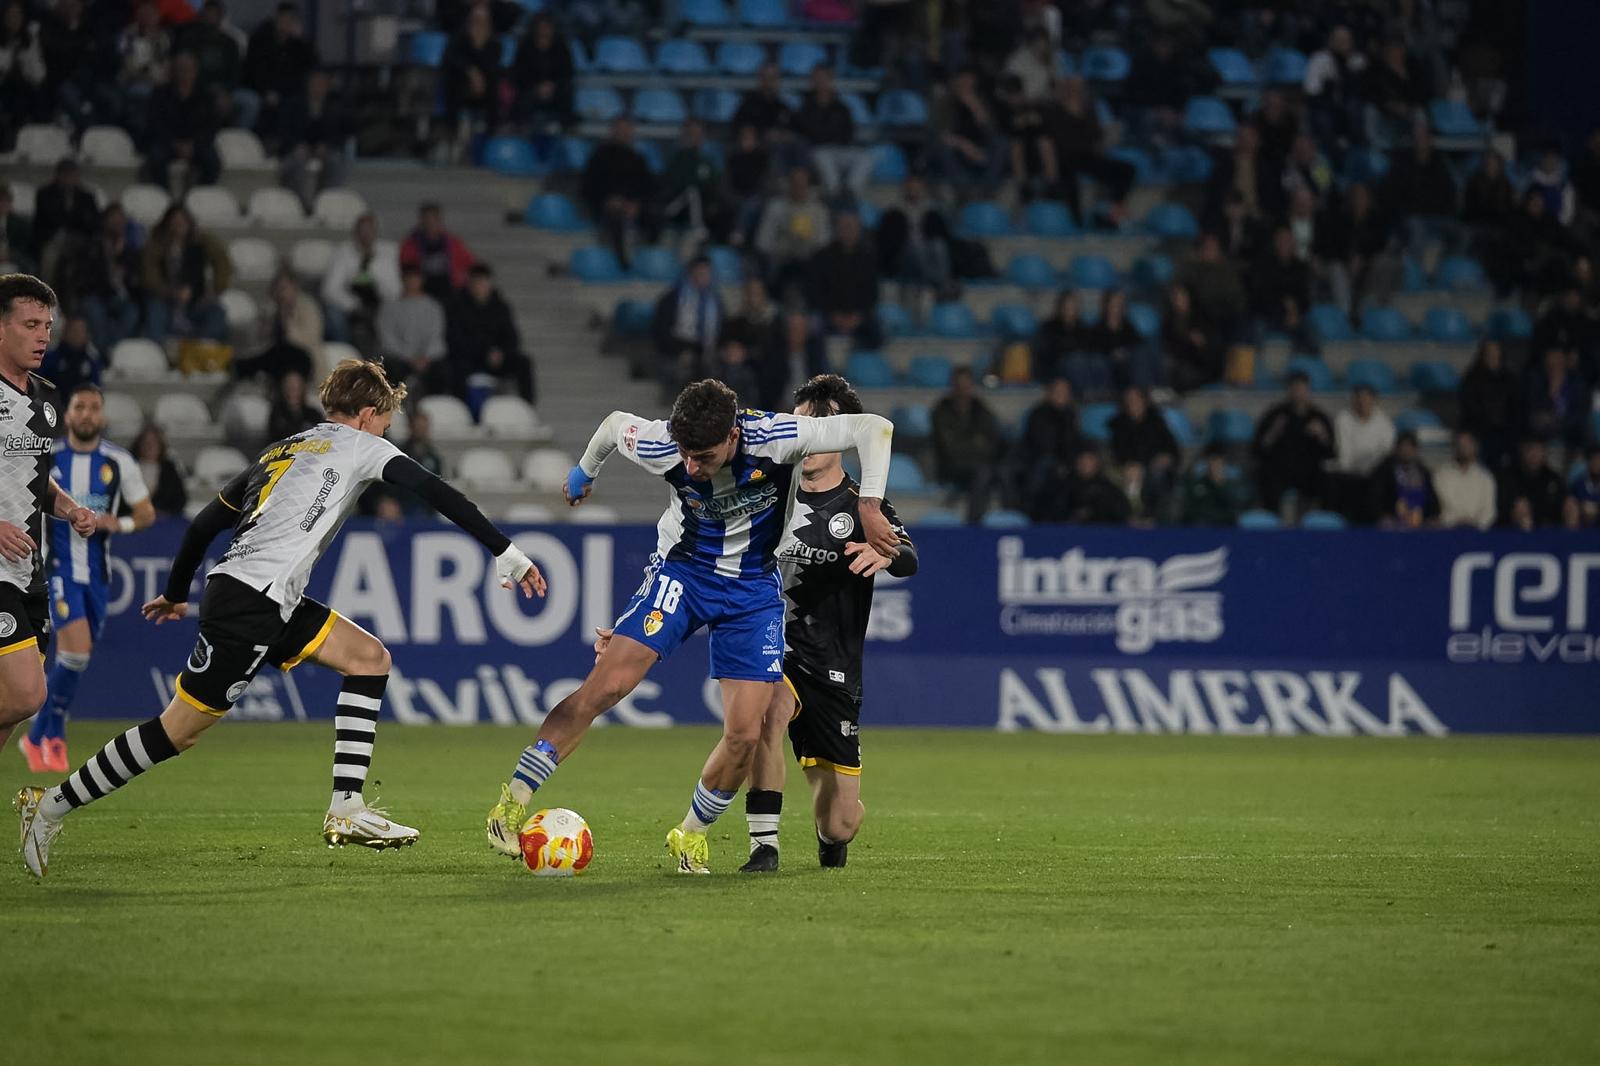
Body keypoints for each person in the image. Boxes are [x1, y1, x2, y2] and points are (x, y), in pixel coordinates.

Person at [17, 359, 545, 877]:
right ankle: (48, 807)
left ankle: (346, 807)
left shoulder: (283, 449)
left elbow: (203, 525)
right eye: (386, 421)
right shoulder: (363, 445)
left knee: (369, 659)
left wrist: (178, 593)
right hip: (250, 604)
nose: (389, 431)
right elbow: (437, 491)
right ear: (365, 414)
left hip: (262, 595)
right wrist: (508, 552)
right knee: (176, 732)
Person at [482, 379, 901, 875]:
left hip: (751, 591)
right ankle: (511, 802)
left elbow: (875, 428)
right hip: (684, 574)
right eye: (685, 455)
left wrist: (869, 505)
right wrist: (583, 469)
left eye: (702, 456)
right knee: (605, 687)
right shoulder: (665, 445)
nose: (691, 467)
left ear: (732, 437)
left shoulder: (776, 437)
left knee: (745, 734)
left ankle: (691, 833)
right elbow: (616, 425)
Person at [728, 374, 917, 871]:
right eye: (802, 423)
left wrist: (890, 555)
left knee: (840, 820)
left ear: (846, 434)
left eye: (823, 423)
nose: (810, 434)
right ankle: (763, 847)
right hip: (778, 644)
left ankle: (831, 835)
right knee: (766, 713)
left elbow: (909, 556)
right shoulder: (771, 493)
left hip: (835, 666)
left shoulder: (861, 504)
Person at [20, 385, 156, 773]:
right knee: (75, 652)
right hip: (57, 570)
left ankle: (44, 733)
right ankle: (45, 733)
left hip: (98, 575)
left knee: (75, 659)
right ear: (68, 415)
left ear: (102, 415)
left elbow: (145, 513)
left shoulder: (118, 461)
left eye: (94, 408)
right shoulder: (50, 458)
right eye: (80, 407)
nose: (87, 414)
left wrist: (119, 522)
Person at [0, 275, 99, 770]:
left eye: (48, 325)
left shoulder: (44, 399)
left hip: (29, 571)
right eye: (30, 324)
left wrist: (70, 508)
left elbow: (38, 481)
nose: (43, 336)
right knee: (25, 695)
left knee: (8, 711)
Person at [1047, 76, 1135, 228]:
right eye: (1071, 87)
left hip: (1088, 157)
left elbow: (1097, 137)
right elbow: (1051, 142)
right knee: (1068, 179)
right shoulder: (1054, 110)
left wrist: (1107, 139)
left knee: (1127, 170)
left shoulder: (1089, 109)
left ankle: (1110, 210)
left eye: (1078, 87)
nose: (1075, 91)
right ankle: (1076, 222)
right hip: (1064, 158)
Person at [447, 263, 536, 405]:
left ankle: (528, 407)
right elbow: (455, 339)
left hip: (496, 360)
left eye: (483, 282)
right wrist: (484, 352)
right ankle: (462, 409)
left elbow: (511, 338)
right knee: (454, 367)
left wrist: (501, 353)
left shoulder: (501, 307)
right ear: (469, 284)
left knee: (523, 363)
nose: (480, 287)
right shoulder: (457, 306)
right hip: (470, 358)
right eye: (476, 283)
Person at [140, 204, 230, 343]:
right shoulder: (155, 246)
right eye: (175, 222)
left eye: (182, 221)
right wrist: (173, 293)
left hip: (195, 300)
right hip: (165, 301)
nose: (179, 225)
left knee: (216, 312)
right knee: (154, 310)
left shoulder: (201, 242)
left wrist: (215, 289)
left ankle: (206, 348)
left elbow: (222, 261)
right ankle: (158, 349)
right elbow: (150, 279)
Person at [1251, 370, 1334, 514]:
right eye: (1295, 389)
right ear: (1289, 391)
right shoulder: (1275, 415)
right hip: (1280, 470)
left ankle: (1323, 523)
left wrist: (1322, 436)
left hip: (1309, 471)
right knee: (1265, 477)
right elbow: (1258, 450)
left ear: (1309, 391)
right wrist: (1273, 433)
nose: (1299, 394)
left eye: (1303, 389)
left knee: (1329, 482)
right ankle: (1272, 521)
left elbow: (1331, 453)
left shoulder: (1318, 417)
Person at [580, 117, 655, 270]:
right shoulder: (599, 157)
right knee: (616, 220)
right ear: (612, 131)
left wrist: (636, 204)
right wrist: (608, 201)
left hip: (632, 206)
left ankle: (649, 260)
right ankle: (622, 263)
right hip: (607, 206)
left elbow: (647, 187)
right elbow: (589, 186)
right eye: (620, 130)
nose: (624, 133)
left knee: (656, 217)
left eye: (627, 130)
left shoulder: (637, 159)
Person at [322, 212, 402, 354]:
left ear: (375, 232)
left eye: (369, 231)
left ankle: (388, 357)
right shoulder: (343, 253)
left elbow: (395, 290)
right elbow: (330, 289)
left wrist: (374, 272)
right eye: (361, 231)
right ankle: (345, 354)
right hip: (353, 305)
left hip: (380, 304)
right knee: (333, 314)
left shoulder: (388, 254)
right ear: (355, 233)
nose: (365, 235)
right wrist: (354, 306)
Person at [143, 50, 222, 192]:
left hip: (196, 143)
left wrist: (193, 144)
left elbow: (211, 126)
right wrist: (175, 144)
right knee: (155, 158)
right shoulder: (160, 93)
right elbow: (154, 124)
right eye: (180, 69)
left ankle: (198, 195)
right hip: (168, 142)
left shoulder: (206, 95)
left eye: (188, 69)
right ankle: (164, 196)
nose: (184, 73)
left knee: (212, 161)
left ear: (195, 71)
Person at [241, 1, 318, 146]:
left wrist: (301, 40)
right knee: (256, 104)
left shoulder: (297, 44)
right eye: (282, 19)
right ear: (276, 19)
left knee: (297, 104)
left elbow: (310, 64)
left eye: (290, 20)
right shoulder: (261, 39)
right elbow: (253, 71)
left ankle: (291, 146)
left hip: (287, 92)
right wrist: (266, 91)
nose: (285, 23)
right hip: (260, 90)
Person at [931, 366, 1001, 522]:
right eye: (959, 385)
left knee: (999, 471)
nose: (963, 389)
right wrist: (975, 444)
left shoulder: (980, 409)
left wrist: (970, 445)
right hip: (950, 466)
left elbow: (990, 442)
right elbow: (947, 446)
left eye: (966, 385)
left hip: (977, 464)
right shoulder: (942, 410)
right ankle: (974, 523)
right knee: (983, 473)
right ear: (953, 386)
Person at [794, 65, 870, 201]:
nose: (821, 82)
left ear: (830, 81)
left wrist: (831, 135)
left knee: (866, 157)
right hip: (817, 151)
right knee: (823, 157)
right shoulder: (805, 108)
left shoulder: (841, 108)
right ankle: (833, 195)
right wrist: (829, 134)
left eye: (824, 79)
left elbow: (848, 133)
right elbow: (810, 134)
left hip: (840, 150)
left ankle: (851, 191)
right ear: (812, 82)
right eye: (818, 79)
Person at [651, 256, 723, 398]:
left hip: (709, 351)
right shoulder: (673, 298)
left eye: (706, 273)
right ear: (691, 273)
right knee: (689, 367)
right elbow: (661, 329)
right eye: (700, 273)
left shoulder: (715, 300)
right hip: (679, 348)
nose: (704, 277)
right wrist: (678, 349)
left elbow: (721, 329)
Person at [806, 210, 880, 347]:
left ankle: (860, 364)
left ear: (858, 230)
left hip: (858, 316)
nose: (848, 231)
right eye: (844, 227)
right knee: (814, 328)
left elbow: (872, 293)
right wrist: (834, 316)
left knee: (878, 332)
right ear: (836, 230)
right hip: (828, 315)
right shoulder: (822, 257)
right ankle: (821, 365)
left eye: (852, 227)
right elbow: (814, 292)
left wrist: (858, 317)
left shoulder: (867, 258)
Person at [754, 167, 830, 300]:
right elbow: (762, 242)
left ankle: (812, 309)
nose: (799, 189)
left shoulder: (819, 209)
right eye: (795, 184)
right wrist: (782, 248)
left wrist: (806, 245)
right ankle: (774, 304)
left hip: (809, 259)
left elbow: (823, 241)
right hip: (781, 258)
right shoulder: (775, 207)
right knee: (770, 268)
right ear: (789, 185)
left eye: (803, 185)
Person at [279, 70, 349, 211]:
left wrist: (326, 145)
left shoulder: (335, 106)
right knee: (297, 161)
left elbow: (342, 132)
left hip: (324, 150)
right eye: (315, 83)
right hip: (298, 149)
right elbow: (284, 130)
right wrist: (297, 145)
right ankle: (302, 205)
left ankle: (330, 202)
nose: (317, 87)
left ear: (327, 87)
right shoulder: (295, 103)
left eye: (321, 84)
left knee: (335, 160)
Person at [377, 265, 451, 397]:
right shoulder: (390, 307)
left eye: (415, 278)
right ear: (403, 280)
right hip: (400, 358)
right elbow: (387, 339)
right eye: (409, 278)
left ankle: (435, 407)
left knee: (443, 370)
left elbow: (437, 336)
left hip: (428, 359)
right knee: (389, 369)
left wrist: (426, 358)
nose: (412, 282)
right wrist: (410, 358)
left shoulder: (433, 307)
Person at [1328, 383, 1396, 522]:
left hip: (1375, 472)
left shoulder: (1385, 423)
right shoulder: (1343, 418)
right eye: (1359, 398)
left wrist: (1370, 468)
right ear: (1354, 400)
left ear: (1374, 400)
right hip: (1350, 472)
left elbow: (1386, 452)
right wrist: (1356, 469)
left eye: (1366, 398)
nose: (1362, 402)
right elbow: (1344, 452)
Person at [1109, 386, 1179, 520]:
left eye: (1136, 400)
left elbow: (1172, 451)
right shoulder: (1118, 425)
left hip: (1151, 468)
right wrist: (1129, 465)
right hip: (1126, 468)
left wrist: (1164, 458)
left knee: (1157, 476)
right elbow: (1116, 452)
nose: (1132, 403)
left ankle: (1154, 518)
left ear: (1144, 402)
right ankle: (1129, 518)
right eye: (1129, 400)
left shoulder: (1157, 423)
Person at [440, 3, 502, 140]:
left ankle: (491, 136)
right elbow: (452, 59)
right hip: (462, 86)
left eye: (482, 22)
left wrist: (479, 79)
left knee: (494, 86)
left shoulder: (495, 43)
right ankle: (452, 134)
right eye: (476, 21)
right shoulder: (459, 39)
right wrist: (471, 72)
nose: (479, 25)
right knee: (452, 83)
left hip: (484, 88)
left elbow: (491, 67)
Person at [1458, 339, 1518, 471]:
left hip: (1505, 431)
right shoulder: (1472, 378)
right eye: (1489, 353)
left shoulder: (1510, 379)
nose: (1493, 356)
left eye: (1495, 352)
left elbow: (1515, 407)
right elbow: (1469, 409)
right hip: (1481, 431)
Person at [400, 203, 475, 305]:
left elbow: (471, 264)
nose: (431, 222)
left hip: (449, 292)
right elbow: (406, 270)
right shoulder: (410, 244)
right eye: (427, 218)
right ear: (421, 220)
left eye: (434, 218)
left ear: (440, 220)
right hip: (422, 294)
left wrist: (460, 281)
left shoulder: (452, 242)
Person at [510, 13, 573, 131]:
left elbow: (567, 72)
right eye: (541, 27)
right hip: (531, 89)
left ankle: (564, 125)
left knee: (566, 91)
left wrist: (552, 85)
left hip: (555, 89)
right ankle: (522, 125)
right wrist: (537, 87)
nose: (544, 31)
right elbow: (519, 73)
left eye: (547, 27)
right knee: (522, 97)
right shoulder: (525, 46)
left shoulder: (561, 47)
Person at [1370, 431, 1438, 529]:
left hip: (1419, 519)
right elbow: (1375, 498)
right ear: (1396, 449)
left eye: (1409, 447)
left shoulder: (1423, 472)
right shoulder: (1384, 471)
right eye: (1403, 446)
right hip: (1393, 518)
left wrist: (1430, 515)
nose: (1406, 450)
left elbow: (1432, 499)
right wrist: (1383, 514)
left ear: (1415, 449)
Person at [1497, 436, 1565, 530]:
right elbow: (1501, 508)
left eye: (1538, 451)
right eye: (1530, 450)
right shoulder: (1510, 478)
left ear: (1544, 453)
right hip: (1514, 532)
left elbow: (1559, 509)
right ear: (1523, 452)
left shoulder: (1553, 479)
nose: (1534, 455)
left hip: (1549, 533)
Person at [1433, 430, 1497, 529]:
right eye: (1460, 444)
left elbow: (1489, 510)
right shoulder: (1441, 474)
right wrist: (1456, 522)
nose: (1464, 448)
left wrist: (1476, 525)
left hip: (1478, 533)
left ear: (1475, 447)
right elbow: (1443, 506)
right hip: (1449, 531)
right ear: (1454, 447)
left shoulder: (1485, 477)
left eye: (1467, 444)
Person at [1180, 444, 1250, 526]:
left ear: (1224, 464)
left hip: (1226, 526)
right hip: (1202, 525)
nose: (1215, 466)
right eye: (1212, 461)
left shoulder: (1234, 483)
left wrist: (1221, 485)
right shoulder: (1197, 483)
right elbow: (1190, 508)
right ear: (1207, 463)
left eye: (1219, 462)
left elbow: (1239, 504)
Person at [39, 315, 102, 399]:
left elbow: (95, 391)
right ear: (64, 333)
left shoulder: (92, 362)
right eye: (73, 331)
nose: (76, 335)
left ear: (87, 335)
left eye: (80, 331)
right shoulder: (49, 358)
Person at [132, 424, 187, 516]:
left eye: (154, 442)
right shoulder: (128, 465)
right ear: (139, 444)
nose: (149, 446)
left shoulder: (169, 468)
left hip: (162, 521)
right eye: (146, 442)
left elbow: (180, 499)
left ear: (161, 446)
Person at [266, 369, 321, 440]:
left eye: (296, 386)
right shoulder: (277, 415)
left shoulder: (314, 415)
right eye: (289, 386)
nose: (292, 390)